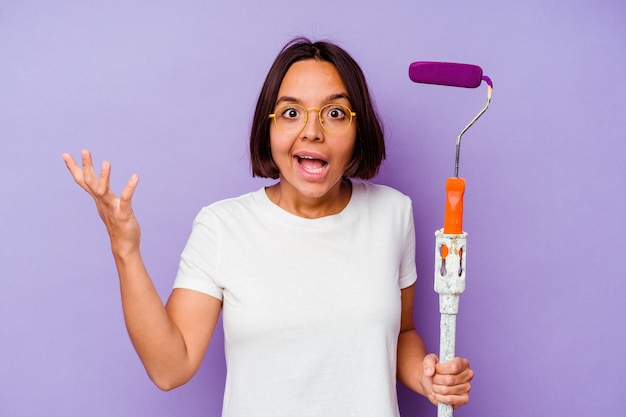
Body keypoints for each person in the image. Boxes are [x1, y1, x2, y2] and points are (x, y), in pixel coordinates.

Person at [62, 37, 473, 416]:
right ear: (269, 126)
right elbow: (171, 368)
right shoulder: (222, 226)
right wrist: (125, 248)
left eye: (334, 113)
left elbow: (401, 331)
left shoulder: (393, 213)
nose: (312, 131)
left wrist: (424, 374)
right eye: (292, 113)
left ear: (358, 126)